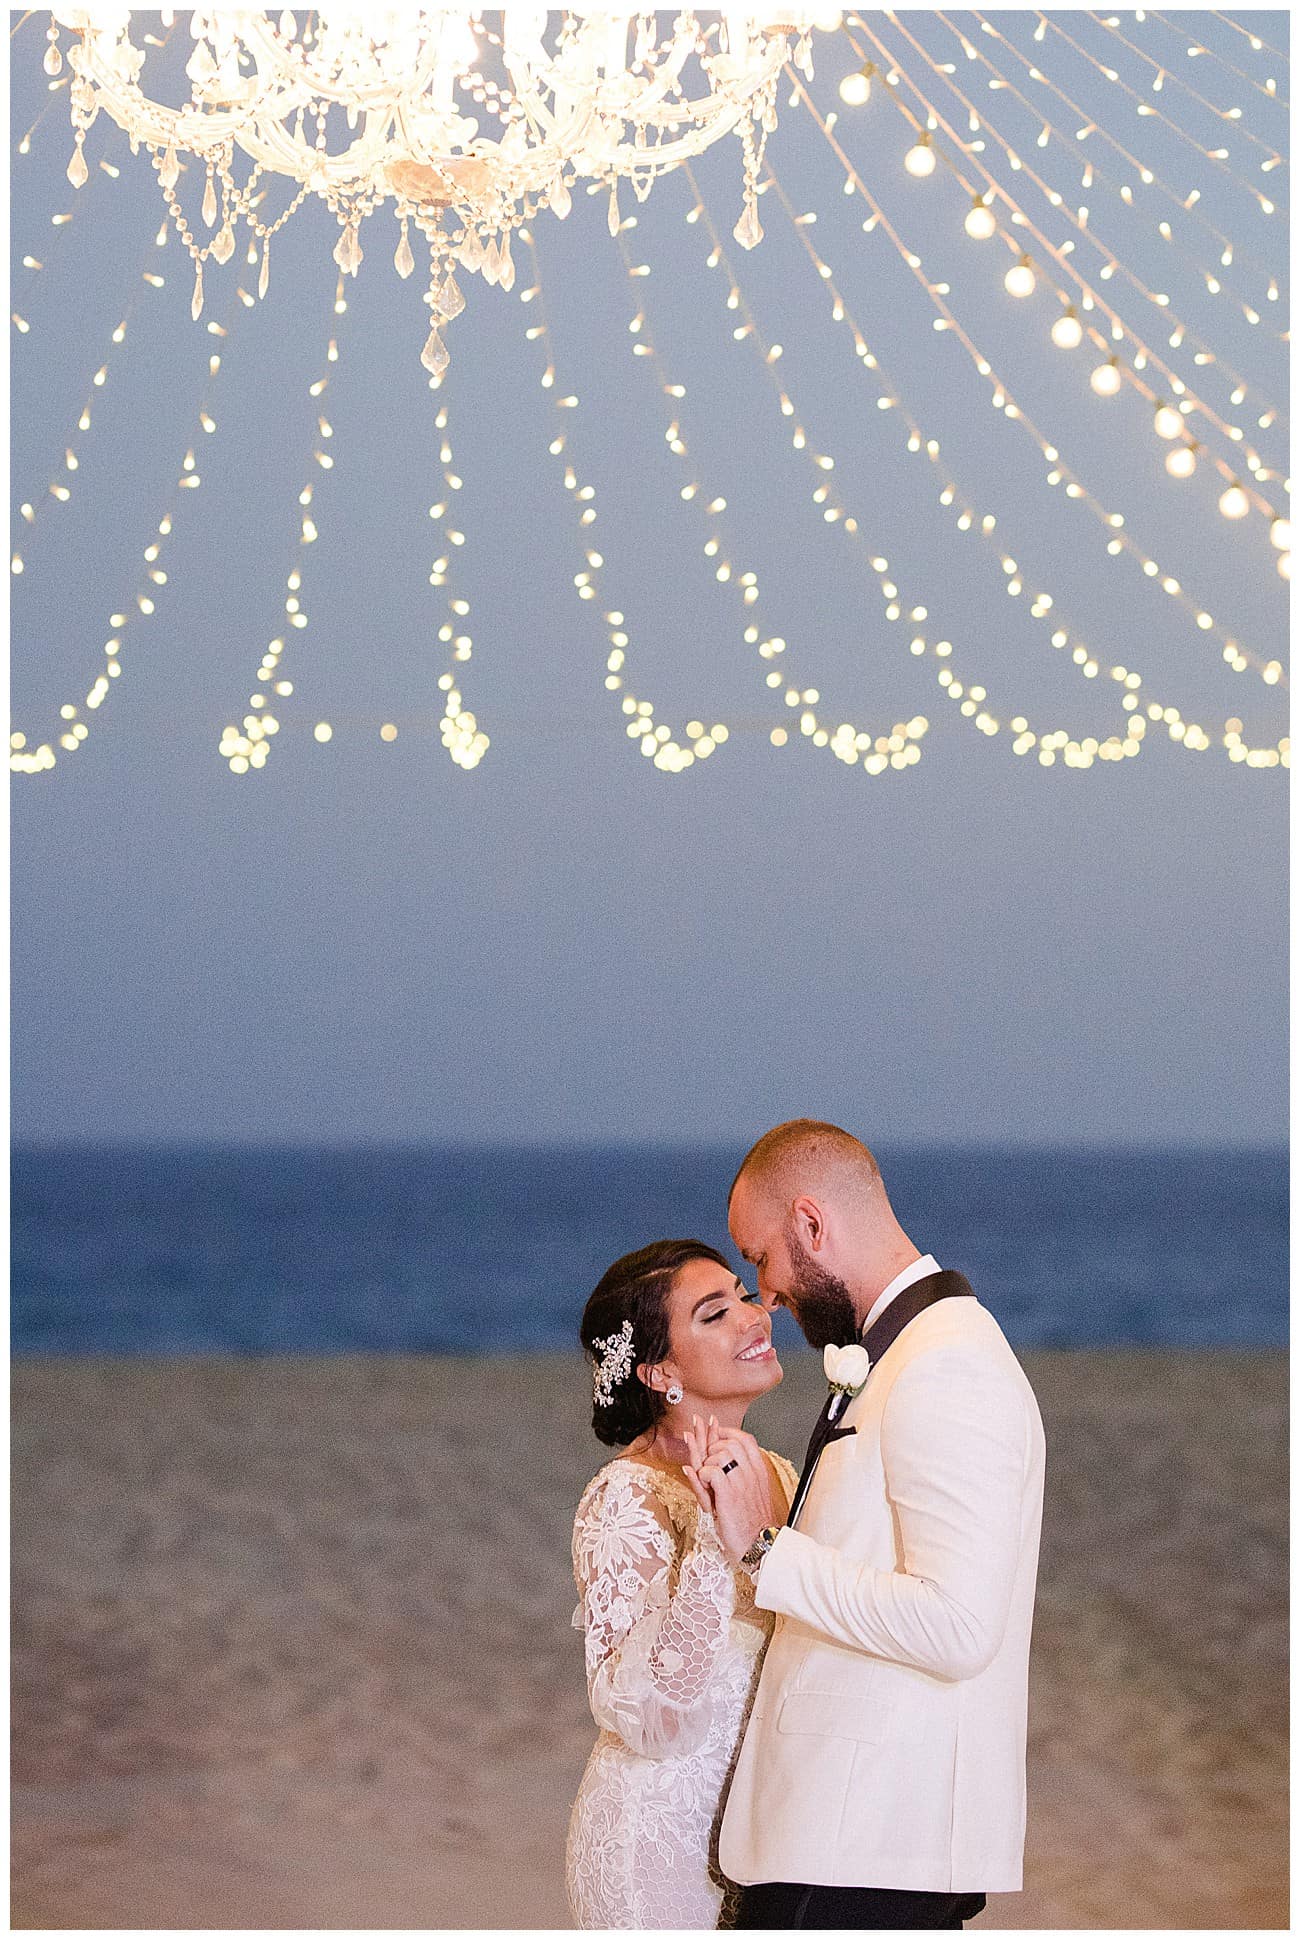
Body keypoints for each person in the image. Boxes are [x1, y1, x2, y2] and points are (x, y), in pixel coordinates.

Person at [686, 1120, 1046, 1932]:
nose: (767, 1294)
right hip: (840, 1846)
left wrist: (766, 1551)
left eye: (761, 1259)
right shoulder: (906, 1353)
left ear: (812, 1225)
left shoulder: (948, 1364)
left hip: (868, 1854)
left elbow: (957, 1625)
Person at [565, 1239, 798, 1930]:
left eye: (745, 1297)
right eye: (715, 1313)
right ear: (659, 1370)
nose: (753, 1318)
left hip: (761, 1843)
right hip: (655, 1845)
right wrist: (707, 1537)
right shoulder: (624, 1499)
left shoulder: (781, 1475)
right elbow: (645, 1716)